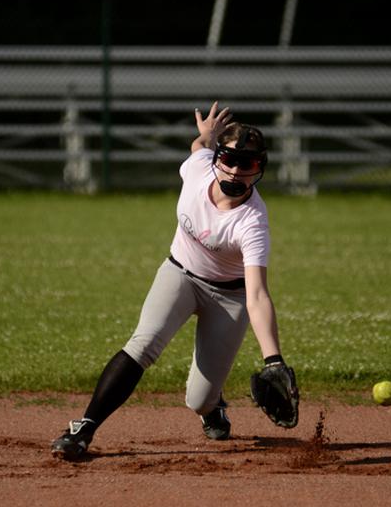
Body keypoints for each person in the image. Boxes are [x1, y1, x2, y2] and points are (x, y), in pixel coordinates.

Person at [51, 102, 295, 461]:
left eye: (250, 163)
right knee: (143, 344)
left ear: (260, 167)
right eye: (230, 158)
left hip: (230, 297)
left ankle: (212, 407)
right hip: (179, 274)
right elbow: (199, 150)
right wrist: (205, 137)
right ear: (217, 159)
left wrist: (273, 359)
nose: (238, 169)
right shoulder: (198, 170)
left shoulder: (252, 221)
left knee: (197, 398)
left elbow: (257, 295)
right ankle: (84, 428)